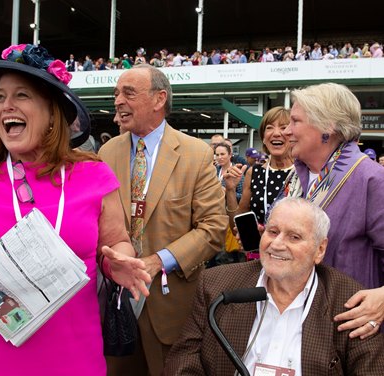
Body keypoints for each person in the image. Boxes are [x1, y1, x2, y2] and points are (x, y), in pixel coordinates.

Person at [0, 44, 151, 376]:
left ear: (51, 109)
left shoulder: (95, 175)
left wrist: (118, 261)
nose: (6, 106)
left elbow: (116, 243)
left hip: (73, 355)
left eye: (22, 96)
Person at [99, 64, 227, 376]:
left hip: (170, 308)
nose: (118, 101)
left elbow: (214, 228)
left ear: (159, 99)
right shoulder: (106, 153)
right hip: (115, 306)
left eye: (129, 93)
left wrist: (158, 261)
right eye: (116, 93)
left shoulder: (195, 154)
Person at [164, 198, 384, 375]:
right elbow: (184, 360)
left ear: (320, 250)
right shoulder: (216, 285)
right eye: (272, 231)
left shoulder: (350, 302)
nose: (277, 244)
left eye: (294, 237)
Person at [277, 82, 384, 339]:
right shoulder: (296, 176)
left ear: (328, 126)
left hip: (345, 329)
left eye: (295, 121)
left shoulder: (371, 179)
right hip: (289, 319)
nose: (287, 131)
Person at [225, 107, 293, 226]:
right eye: (269, 128)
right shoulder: (254, 172)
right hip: (259, 244)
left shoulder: (306, 171)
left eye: (284, 127)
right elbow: (238, 225)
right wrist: (230, 190)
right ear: (263, 138)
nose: (276, 133)